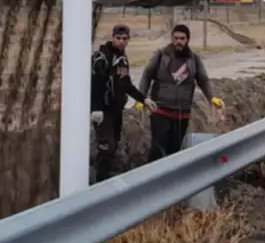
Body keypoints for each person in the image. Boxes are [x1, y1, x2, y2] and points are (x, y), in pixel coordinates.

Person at [139, 23, 223, 162]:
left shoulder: (194, 59)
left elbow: (203, 80)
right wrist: (141, 97)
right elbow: (147, 75)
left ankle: (172, 175)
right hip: (160, 110)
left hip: (182, 113)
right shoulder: (161, 55)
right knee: (158, 149)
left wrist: (212, 98)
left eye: (182, 38)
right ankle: (153, 175)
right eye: (176, 38)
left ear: (187, 39)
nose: (179, 41)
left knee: (174, 151)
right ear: (172, 39)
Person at [90, 24, 149, 182]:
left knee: (114, 145)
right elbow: (95, 83)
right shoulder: (102, 57)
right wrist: (96, 108)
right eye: (118, 38)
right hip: (103, 111)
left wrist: (143, 99)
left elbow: (126, 84)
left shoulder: (123, 59)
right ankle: (99, 182)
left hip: (117, 110)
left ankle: (105, 179)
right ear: (112, 38)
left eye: (124, 38)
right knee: (107, 147)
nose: (121, 41)